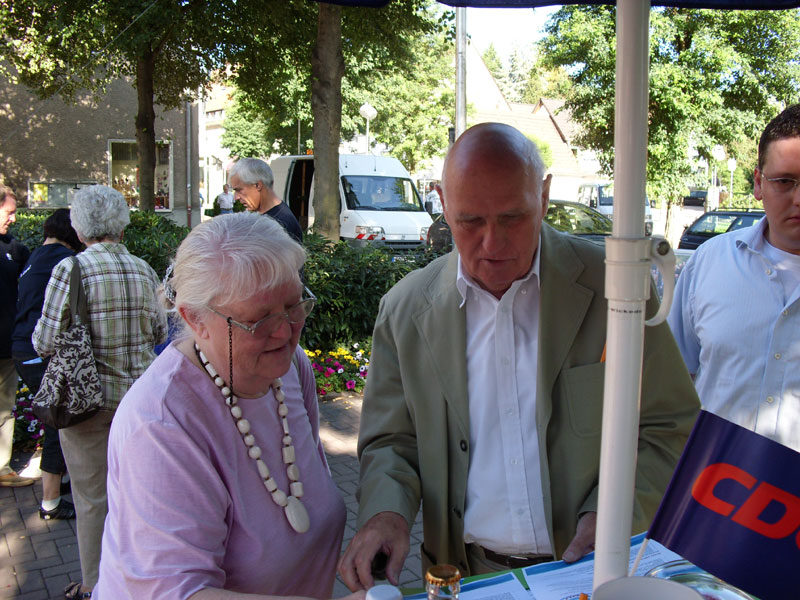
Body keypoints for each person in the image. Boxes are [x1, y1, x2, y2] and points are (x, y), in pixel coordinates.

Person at [338, 123, 699, 590]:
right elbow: (392, 442)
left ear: (544, 197)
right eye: (470, 221)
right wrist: (385, 513)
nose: (492, 243)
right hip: (467, 576)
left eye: (512, 218)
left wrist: (612, 518)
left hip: (595, 568)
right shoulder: (405, 310)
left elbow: (669, 427)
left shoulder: (617, 290)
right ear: (442, 204)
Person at [94, 212, 362, 600]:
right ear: (195, 319)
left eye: (294, 305)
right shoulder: (160, 424)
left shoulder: (288, 367)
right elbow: (177, 593)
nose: (286, 331)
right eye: (259, 320)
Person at [33, 185, 167, 600]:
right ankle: (143, 576)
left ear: (79, 226)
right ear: (121, 223)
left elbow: (45, 341)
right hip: (141, 403)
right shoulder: (143, 269)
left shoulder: (69, 270)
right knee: (140, 495)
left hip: (85, 404)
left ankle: (95, 586)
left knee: (92, 499)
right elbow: (160, 332)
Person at [668, 104, 800, 452]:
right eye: (785, 181)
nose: (799, 198)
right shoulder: (710, 263)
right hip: (711, 488)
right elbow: (674, 379)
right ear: (758, 183)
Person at [12, 209, 82, 519]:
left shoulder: (37, 256)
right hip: (34, 351)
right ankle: (50, 502)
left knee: (61, 417)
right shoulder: (61, 262)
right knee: (60, 419)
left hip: (22, 349)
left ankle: (59, 482)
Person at [0, 184, 34, 488]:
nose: (13, 218)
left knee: (3, 407)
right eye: (9, 212)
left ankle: (1, 467)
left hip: (4, 346)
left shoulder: (16, 249)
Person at [230, 158, 303, 243]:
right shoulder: (271, 218)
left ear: (258, 185)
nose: (236, 197)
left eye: (239, 190)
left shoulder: (281, 225)